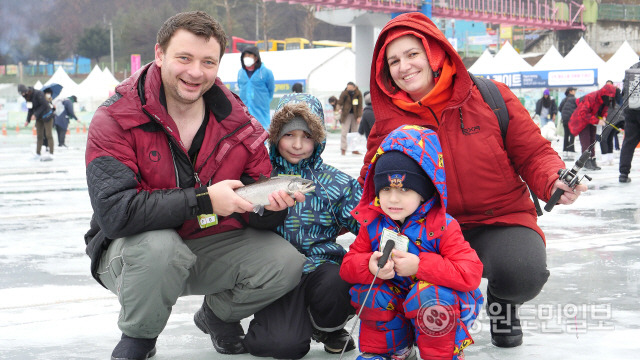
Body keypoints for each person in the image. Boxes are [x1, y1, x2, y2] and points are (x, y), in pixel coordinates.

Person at [84, 11, 308, 360]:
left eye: (208, 62)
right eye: (184, 58)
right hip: (133, 251)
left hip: (209, 241)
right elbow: (115, 214)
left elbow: (255, 199)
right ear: (159, 54)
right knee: (161, 249)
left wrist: (270, 210)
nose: (195, 72)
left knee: (286, 262)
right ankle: (140, 337)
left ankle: (217, 316)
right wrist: (203, 200)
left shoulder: (239, 122)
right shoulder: (115, 118)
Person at [360, 12, 588, 349]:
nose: (404, 66)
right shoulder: (387, 122)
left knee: (523, 271)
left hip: (499, 217)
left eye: (412, 54)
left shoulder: (489, 96)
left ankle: (503, 305)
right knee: (414, 278)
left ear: (433, 54)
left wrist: (553, 179)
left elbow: (532, 152)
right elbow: (371, 184)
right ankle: (416, 326)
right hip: (429, 228)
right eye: (393, 61)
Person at [341, 125, 483, 360]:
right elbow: (348, 267)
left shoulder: (442, 225)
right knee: (371, 292)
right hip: (396, 302)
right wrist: (369, 265)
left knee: (431, 296)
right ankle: (392, 350)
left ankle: (440, 356)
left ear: (424, 190)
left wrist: (420, 266)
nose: (393, 198)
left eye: (405, 189)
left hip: (440, 305)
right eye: (385, 189)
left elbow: (470, 273)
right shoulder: (374, 224)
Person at [243, 93, 362, 359]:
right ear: (275, 136)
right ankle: (284, 325)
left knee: (341, 278)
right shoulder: (258, 176)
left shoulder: (338, 183)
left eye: (307, 136)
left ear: (318, 139)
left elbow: (366, 223)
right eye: (289, 135)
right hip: (277, 276)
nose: (297, 145)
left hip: (323, 272)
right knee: (280, 346)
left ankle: (329, 328)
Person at [569, 83, 617, 171]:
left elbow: (603, 110)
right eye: (609, 96)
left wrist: (603, 116)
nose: (610, 99)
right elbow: (583, 113)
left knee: (592, 141)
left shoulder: (606, 100)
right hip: (582, 121)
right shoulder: (591, 97)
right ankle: (586, 161)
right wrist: (597, 121)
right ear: (605, 93)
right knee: (586, 141)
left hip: (592, 120)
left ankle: (592, 159)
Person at [237, 45, 275, 129]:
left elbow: (270, 90)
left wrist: (263, 101)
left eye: (250, 55)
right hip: (245, 115)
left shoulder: (266, 72)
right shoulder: (240, 73)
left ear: (256, 57)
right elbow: (240, 87)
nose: (247, 58)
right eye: (245, 56)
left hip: (261, 114)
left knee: (262, 135)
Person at [18, 84, 55, 161]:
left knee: (48, 135)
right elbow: (30, 109)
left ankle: (51, 153)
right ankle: (38, 153)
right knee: (39, 136)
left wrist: (35, 114)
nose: (23, 95)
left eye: (24, 93)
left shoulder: (38, 93)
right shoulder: (27, 98)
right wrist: (27, 120)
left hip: (47, 116)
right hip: (39, 118)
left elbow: (44, 105)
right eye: (22, 94)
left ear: (27, 90)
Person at [619, 58, 640, 183]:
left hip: (631, 112)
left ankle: (623, 174)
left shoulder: (632, 68)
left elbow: (624, 92)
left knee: (628, 144)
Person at [337, 81, 363, 155]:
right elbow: (339, 102)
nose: (348, 89)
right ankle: (343, 148)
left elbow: (360, 106)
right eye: (347, 87)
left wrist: (359, 116)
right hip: (346, 115)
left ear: (354, 87)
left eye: (350, 88)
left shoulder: (358, 94)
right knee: (344, 132)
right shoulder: (344, 93)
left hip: (355, 115)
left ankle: (354, 149)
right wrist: (339, 108)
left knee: (355, 132)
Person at [558, 87, 578, 160]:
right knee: (572, 134)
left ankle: (565, 149)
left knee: (566, 134)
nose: (575, 92)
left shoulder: (564, 99)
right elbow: (578, 108)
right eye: (574, 90)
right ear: (570, 91)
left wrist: (565, 114)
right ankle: (571, 149)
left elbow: (559, 108)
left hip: (565, 119)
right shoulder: (574, 99)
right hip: (572, 119)